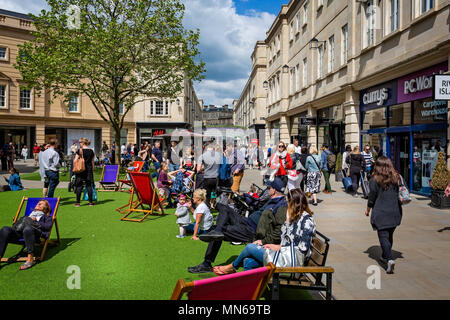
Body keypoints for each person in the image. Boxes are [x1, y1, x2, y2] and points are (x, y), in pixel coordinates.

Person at [188, 177, 287, 274]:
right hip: (246, 221)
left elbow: (278, 230)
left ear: (274, 190)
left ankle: (206, 263)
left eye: (269, 188)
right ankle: (217, 229)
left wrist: (263, 241)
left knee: (218, 231)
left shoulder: (281, 206)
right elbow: (257, 206)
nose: (268, 189)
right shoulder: (272, 200)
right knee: (224, 208)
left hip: (251, 230)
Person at [212, 188, 316, 274]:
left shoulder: (307, 220)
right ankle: (250, 292)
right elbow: (284, 238)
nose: (286, 205)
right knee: (249, 261)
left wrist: (278, 247)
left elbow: (302, 248)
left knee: (250, 247)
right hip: (284, 255)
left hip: (293, 261)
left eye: (288, 202)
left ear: (293, 203)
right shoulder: (293, 218)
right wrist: (287, 222)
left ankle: (231, 267)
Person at [365, 156, 402, 274]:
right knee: (390, 234)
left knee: (383, 237)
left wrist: (368, 209)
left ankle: (390, 260)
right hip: (395, 211)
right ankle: (385, 256)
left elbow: (372, 197)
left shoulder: (374, 179)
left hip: (381, 212)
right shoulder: (397, 177)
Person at [0, 200, 53, 270]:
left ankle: (30, 258)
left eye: (41, 204)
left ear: (45, 208)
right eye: (38, 203)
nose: (38, 204)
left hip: (34, 233)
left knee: (28, 229)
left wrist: (36, 220)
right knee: (5, 229)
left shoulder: (46, 217)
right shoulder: (28, 215)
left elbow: (47, 227)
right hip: (20, 233)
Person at [196, 142, 221, 207]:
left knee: (207, 194)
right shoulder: (219, 155)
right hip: (217, 177)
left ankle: (207, 207)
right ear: (213, 148)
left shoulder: (202, 156)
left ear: (206, 148)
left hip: (207, 177)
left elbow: (198, 169)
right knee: (215, 193)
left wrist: (203, 169)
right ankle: (214, 205)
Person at [73, 138, 95, 207]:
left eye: (80, 142)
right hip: (88, 170)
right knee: (88, 186)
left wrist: (75, 167)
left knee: (79, 186)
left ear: (82, 143)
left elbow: (75, 161)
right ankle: (90, 202)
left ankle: (77, 202)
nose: (79, 144)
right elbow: (92, 162)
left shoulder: (79, 150)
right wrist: (92, 170)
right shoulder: (91, 151)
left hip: (80, 170)